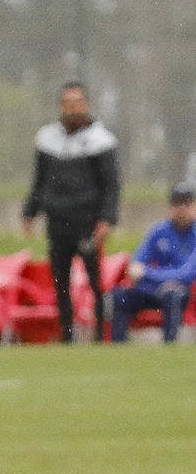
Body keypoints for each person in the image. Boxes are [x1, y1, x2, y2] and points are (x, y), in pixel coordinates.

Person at [22, 80, 121, 343]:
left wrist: (107, 219)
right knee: (60, 282)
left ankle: (100, 335)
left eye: (77, 103)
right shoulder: (48, 138)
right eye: (68, 103)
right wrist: (30, 211)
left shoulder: (101, 141)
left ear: (86, 105)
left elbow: (111, 185)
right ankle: (67, 336)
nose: (72, 109)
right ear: (61, 106)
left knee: (95, 281)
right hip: (57, 222)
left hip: (87, 222)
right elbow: (40, 180)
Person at [111, 182, 196, 343]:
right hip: (152, 290)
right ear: (170, 207)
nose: (182, 209)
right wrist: (157, 278)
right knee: (120, 296)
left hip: (183, 293)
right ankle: (117, 347)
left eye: (186, 204)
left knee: (173, 294)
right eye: (177, 204)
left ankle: (169, 347)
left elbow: (187, 274)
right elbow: (135, 265)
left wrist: (148, 273)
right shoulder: (159, 231)